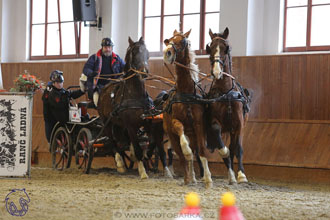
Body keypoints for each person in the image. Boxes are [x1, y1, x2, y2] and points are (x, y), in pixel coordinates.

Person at [42, 70, 85, 147]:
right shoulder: (50, 92)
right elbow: (58, 104)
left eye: (61, 82)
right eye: (58, 83)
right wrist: (66, 97)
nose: (60, 84)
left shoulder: (61, 91)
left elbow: (72, 94)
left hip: (61, 115)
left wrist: (82, 91)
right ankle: (52, 144)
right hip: (53, 118)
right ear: (53, 83)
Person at [80, 37, 125, 107]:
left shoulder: (117, 59)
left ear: (112, 48)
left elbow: (125, 68)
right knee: (98, 102)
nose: (107, 49)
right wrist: (91, 73)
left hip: (115, 86)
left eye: (109, 47)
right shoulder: (94, 58)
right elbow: (86, 69)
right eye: (105, 47)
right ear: (102, 47)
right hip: (98, 86)